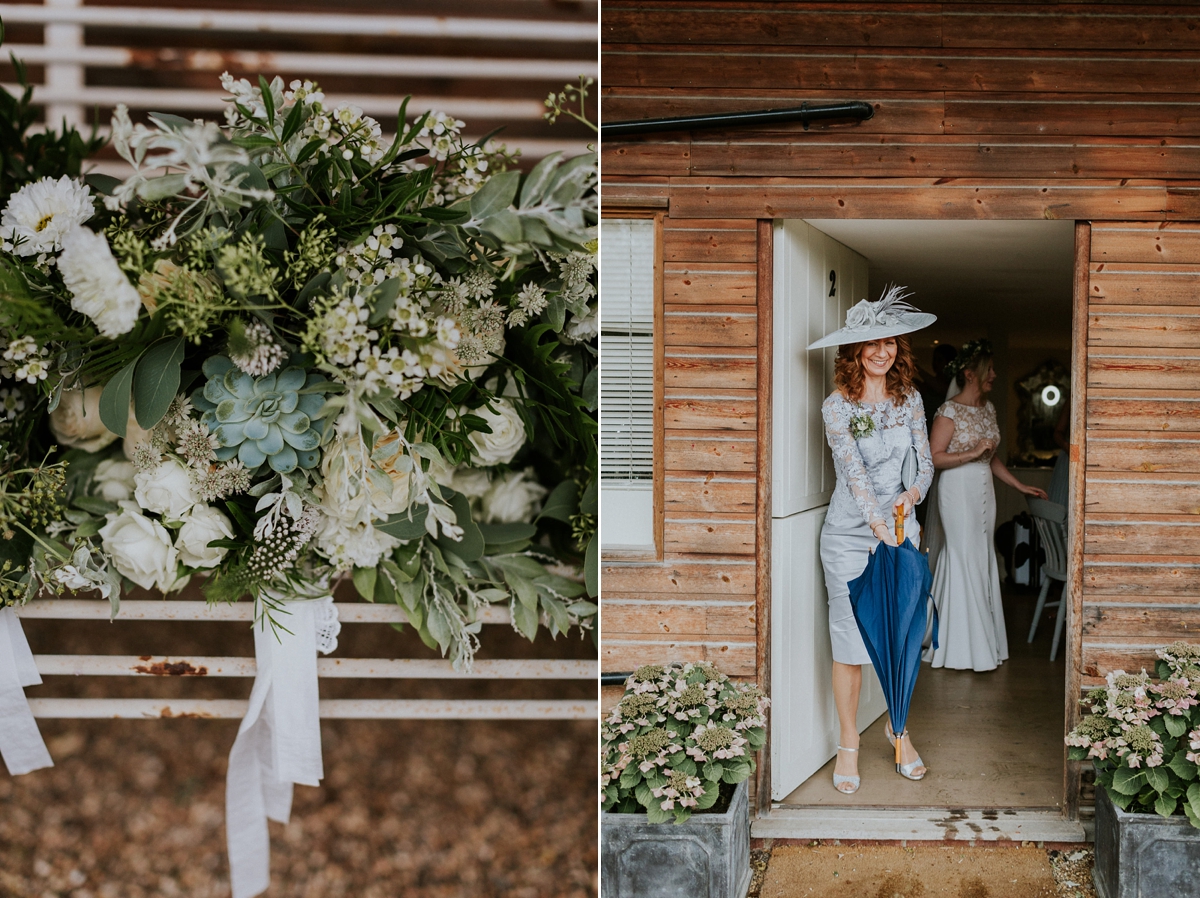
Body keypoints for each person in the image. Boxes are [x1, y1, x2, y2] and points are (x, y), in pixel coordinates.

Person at [808, 286, 936, 794]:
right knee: (849, 641)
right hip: (850, 534)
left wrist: (913, 495)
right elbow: (854, 472)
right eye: (871, 343)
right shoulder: (836, 407)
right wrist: (876, 524)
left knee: (901, 637)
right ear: (854, 352)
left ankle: (898, 729)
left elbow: (925, 463)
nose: (883, 351)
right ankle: (848, 743)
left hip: (902, 528)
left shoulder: (911, 400)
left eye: (891, 343)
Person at [925, 339, 1047, 672]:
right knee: (962, 555)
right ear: (969, 373)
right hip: (956, 490)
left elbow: (990, 460)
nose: (994, 374)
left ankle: (983, 640)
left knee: (980, 556)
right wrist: (971, 452)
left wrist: (1019, 485)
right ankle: (961, 647)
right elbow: (934, 458)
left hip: (983, 490)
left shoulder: (989, 409)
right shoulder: (949, 411)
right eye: (988, 369)